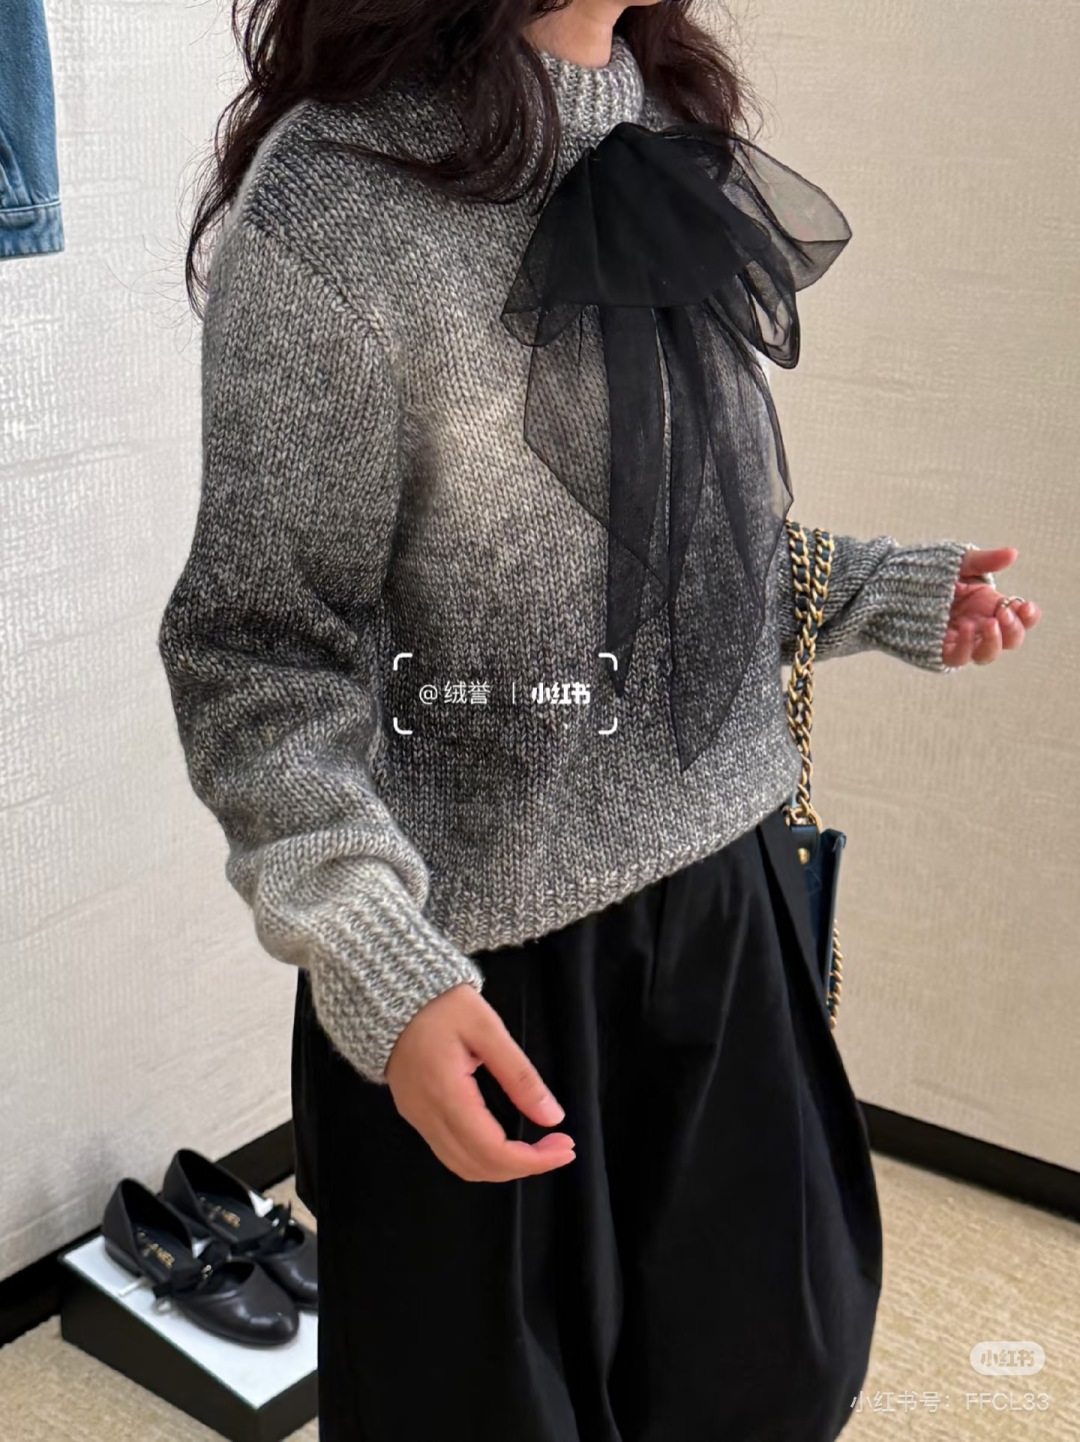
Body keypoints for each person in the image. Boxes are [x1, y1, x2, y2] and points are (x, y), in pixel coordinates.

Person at [157, 0, 1041, 1437]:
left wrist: (873, 590)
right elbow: (260, 656)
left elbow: (667, 546)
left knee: (774, 1373)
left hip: (731, 904)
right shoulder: (336, 203)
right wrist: (382, 965)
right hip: (476, 972)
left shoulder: (666, 121)